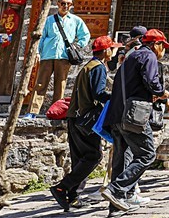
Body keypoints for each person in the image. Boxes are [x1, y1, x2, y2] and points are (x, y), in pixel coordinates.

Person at [102, 29, 169, 213]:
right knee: (147, 154)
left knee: (121, 160)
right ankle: (116, 190)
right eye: (163, 47)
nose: (163, 51)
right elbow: (151, 81)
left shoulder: (130, 58)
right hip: (133, 116)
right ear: (156, 45)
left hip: (116, 115)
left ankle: (115, 208)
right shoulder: (149, 57)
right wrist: (161, 92)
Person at [49, 34, 120, 211]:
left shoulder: (88, 66)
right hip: (87, 120)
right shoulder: (98, 68)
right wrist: (117, 97)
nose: (114, 51)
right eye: (112, 48)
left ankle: (72, 197)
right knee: (94, 156)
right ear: (106, 51)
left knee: (79, 158)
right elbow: (98, 94)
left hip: (75, 118)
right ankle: (62, 187)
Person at [23, 0, 91, 116]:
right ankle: (32, 112)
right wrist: (38, 52)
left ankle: (56, 112)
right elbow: (41, 37)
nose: (65, 6)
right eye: (63, 3)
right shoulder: (49, 20)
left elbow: (85, 35)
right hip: (48, 55)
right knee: (40, 84)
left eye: (68, 4)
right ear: (58, 4)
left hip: (64, 57)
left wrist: (78, 45)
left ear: (71, 5)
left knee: (60, 85)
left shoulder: (76, 21)